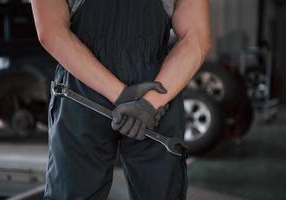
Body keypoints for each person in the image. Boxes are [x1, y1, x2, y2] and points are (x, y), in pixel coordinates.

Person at [30, 0, 211, 199]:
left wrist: (139, 101)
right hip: (149, 94)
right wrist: (145, 103)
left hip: (106, 94)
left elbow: (52, 30)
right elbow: (195, 38)